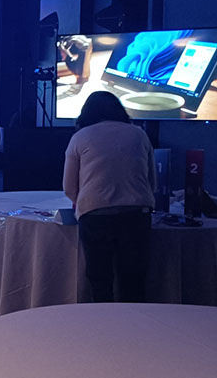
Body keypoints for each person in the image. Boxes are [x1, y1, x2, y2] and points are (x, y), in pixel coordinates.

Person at [63, 91, 155, 303]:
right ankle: (135, 322)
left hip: (95, 214)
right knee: (134, 282)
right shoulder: (139, 134)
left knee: (100, 281)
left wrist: (85, 202)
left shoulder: (80, 137)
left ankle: (103, 322)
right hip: (137, 214)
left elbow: (69, 187)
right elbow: (151, 181)